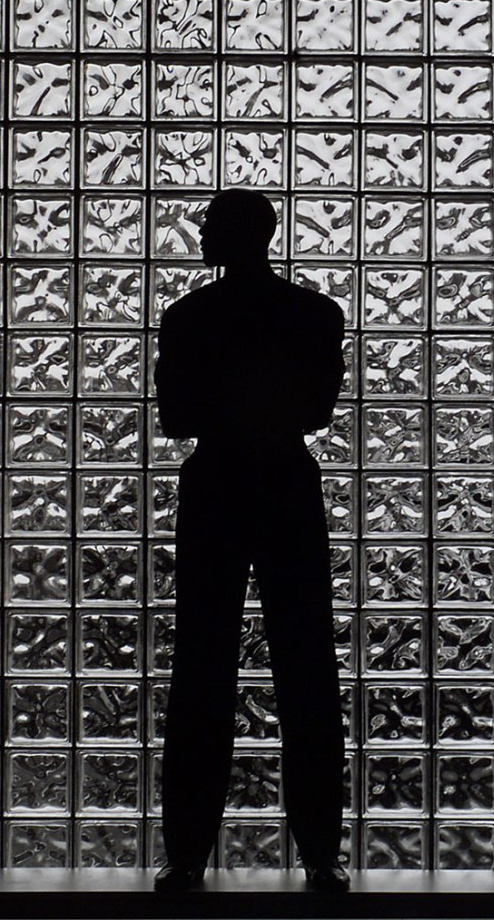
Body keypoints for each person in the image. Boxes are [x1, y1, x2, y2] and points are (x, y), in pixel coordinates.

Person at [152, 189, 350, 894]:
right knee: (307, 668)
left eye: (209, 221)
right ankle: (322, 855)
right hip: (286, 483)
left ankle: (185, 856)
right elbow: (315, 409)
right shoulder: (315, 313)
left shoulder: (187, 318)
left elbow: (176, 416)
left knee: (201, 670)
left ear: (236, 233)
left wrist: (223, 403)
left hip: (215, 486)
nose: (200, 230)